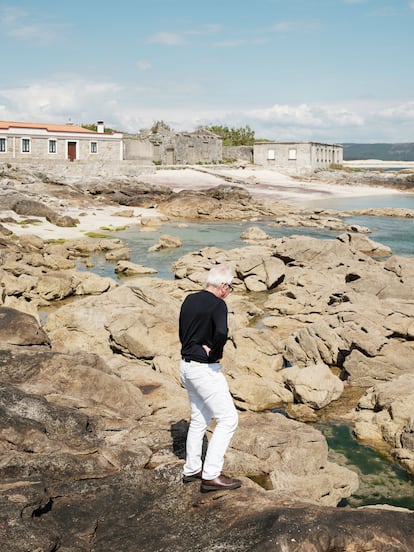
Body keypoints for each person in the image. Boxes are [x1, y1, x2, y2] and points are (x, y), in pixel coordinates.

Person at [179, 263, 241, 492]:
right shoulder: (218, 304)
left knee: (199, 418)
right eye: (230, 287)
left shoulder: (189, 299)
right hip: (204, 369)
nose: (229, 291)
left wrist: (193, 346)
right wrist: (214, 353)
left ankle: (192, 468)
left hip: (186, 365)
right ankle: (211, 474)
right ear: (223, 286)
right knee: (228, 419)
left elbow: (183, 332)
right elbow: (222, 333)